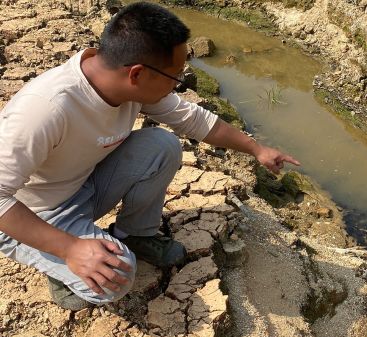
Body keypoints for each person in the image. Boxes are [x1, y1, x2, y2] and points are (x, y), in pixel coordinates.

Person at [0, 2, 300, 311]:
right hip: (35, 214)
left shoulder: (127, 87)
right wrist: (70, 248)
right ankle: (58, 267)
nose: (177, 85)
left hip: (82, 186)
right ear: (137, 74)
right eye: (175, 76)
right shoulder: (45, 108)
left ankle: (135, 234)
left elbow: (196, 121)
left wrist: (257, 148)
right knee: (116, 277)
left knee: (162, 145)